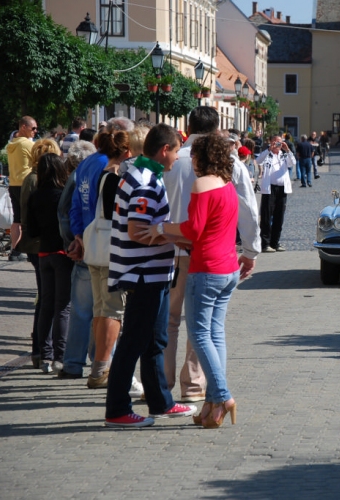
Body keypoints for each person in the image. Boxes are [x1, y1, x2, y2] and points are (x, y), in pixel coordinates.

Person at [139, 133, 251, 428]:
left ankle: (223, 396)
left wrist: (162, 227)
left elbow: (193, 229)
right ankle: (213, 405)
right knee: (215, 334)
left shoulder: (203, 184)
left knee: (200, 334)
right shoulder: (227, 184)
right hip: (228, 267)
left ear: (201, 157)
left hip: (207, 268)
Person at [104, 123, 195, 428]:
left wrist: (173, 238)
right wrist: (175, 237)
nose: (178, 158)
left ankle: (161, 402)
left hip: (153, 273)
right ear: (165, 150)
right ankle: (117, 409)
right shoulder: (143, 180)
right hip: (143, 273)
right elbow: (137, 230)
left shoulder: (145, 175)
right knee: (134, 341)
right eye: (177, 151)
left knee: (155, 339)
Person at [70, 117, 136, 391]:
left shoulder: (88, 164)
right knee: (110, 311)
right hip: (108, 249)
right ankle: (101, 367)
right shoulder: (113, 175)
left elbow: (75, 202)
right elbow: (118, 218)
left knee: (95, 310)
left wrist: (77, 234)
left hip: (91, 243)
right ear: (125, 150)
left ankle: (88, 362)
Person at [161, 106, 218, 403]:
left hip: (167, 246)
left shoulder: (171, 158)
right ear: (216, 129)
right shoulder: (221, 160)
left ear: (187, 125)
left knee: (169, 319)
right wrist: (250, 249)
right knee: (199, 319)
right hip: (202, 249)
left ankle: (163, 379)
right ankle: (194, 385)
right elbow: (244, 203)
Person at [26, 153, 72, 374]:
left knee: (46, 304)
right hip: (62, 252)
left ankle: (45, 355)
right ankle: (60, 357)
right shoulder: (63, 195)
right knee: (62, 306)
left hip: (43, 252)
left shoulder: (35, 196)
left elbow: (31, 230)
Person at [55, 140, 97, 380]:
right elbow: (65, 212)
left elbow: (65, 211)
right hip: (92, 249)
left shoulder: (79, 174)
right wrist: (72, 241)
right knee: (94, 310)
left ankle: (74, 363)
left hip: (82, 248)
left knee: (82, 311)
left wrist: (72, 241)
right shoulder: (96, 172)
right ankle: (95, 361)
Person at [20, 139, 62, 369]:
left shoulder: (31, 179)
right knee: (51, 300)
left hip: (37, 246)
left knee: (44, 299)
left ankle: (40, 348)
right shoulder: (41, 181)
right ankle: (46, 349)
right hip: (46, 246)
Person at [255, 135, 295, 253]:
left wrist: (287, 150)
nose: (278, 144)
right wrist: (269, 149)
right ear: (271, 142)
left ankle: (275, 242)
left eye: (280, 142)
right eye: (276, 142)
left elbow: (292, 163)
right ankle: (265, 243)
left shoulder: (284, 154)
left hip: (282, 189)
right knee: (266, 216)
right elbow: (258, 160)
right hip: (269, 189)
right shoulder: (267, 154)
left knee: (279, 216)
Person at [6, 116, 38, 261]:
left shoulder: (12, 144)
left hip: (13, 184)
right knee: (28, 218)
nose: (35, 132)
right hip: (26, 184)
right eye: (33, 128)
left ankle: (15, 250)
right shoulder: (27, 145)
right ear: (23, 127)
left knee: (17, 219)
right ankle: (30, 249)